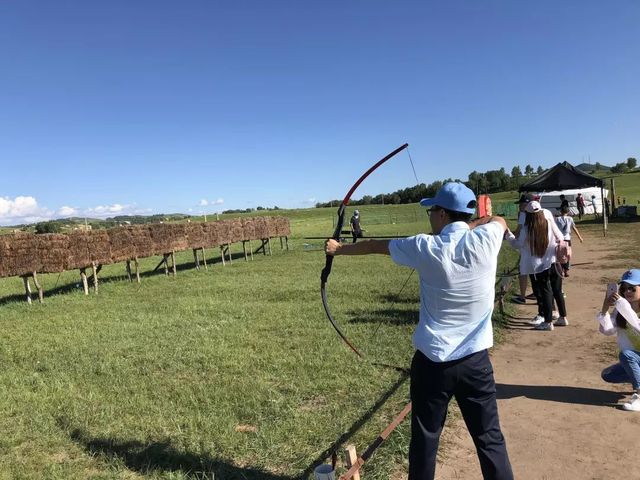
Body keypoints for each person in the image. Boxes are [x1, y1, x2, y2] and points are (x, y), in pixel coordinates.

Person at [325, 182, 513, 480]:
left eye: (431, 210)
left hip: (432, 365)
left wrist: (340, 249)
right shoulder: (487, 238)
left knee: (425, 441)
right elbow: (499, 221)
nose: (429, 216)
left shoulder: (425, 246)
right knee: (490, 439)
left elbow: (377, 246)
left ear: (441, 214)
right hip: (476, 364)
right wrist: (471, 222)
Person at [506, 201, 566, 330]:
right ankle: (563, 317)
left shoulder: (528, 228)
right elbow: (560, 236)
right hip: (554, 261)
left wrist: (509, 235)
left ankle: (548, 321)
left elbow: (518, 244)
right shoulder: (548, 221)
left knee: (545, 292)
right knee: (557, 290)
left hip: (539, 265)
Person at [598, 269, 640, 411]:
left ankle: (639, 395)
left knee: (626, 355)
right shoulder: (620, 310)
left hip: (634, 357)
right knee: (609, 374)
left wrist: (622, 304)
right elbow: (608, 331)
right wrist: (604, 309)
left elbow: (637, 325)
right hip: (636, 359)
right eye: (623, 288)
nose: (627, 291)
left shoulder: (623, 307)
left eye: (632, 288)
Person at [512, 194, 536, 305]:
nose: (519, 207)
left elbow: (519, 229)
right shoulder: (538, 213)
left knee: (523, 272)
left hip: (526, 247)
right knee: (536, 271)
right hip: (535, 245)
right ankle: (537, 292)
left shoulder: (522, 214)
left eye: (521, 204)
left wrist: (513, 237)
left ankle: (522, 296)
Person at [555, 205, 584, 276]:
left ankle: (561, 269)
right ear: (568, 212)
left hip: (559, 239)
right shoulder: (570, 218)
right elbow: (574, 228)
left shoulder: (557, 219)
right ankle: (566, 269)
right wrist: (580, 237)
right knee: (567, 254)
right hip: (567, 239)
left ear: (560, 211)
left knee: (559, 254)